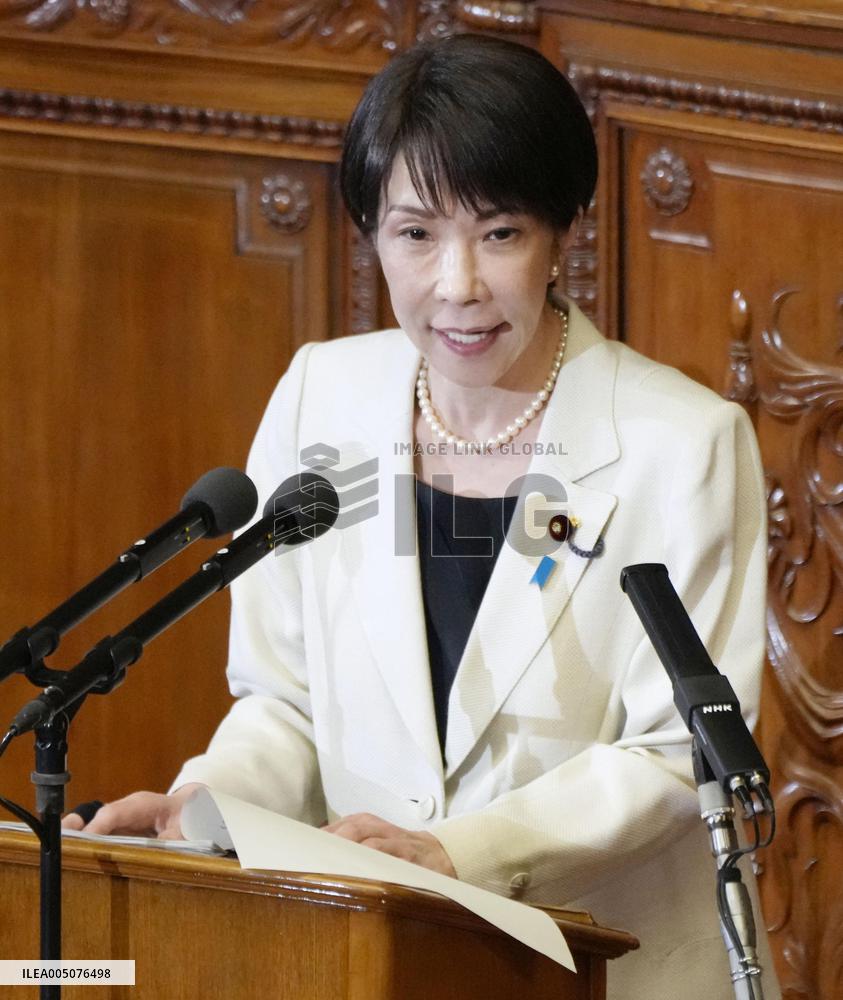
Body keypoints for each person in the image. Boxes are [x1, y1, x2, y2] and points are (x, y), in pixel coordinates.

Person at [64, 34, 780, 999]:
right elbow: (283, 702)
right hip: (372, 963)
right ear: (371, 234)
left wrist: (452, 851)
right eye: (414, 234)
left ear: (563, 230)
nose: (456, 286)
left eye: (498, 233)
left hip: (604, 967)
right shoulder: (324, 395)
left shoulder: (681, 443)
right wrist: (205, 813)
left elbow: (669, 759)